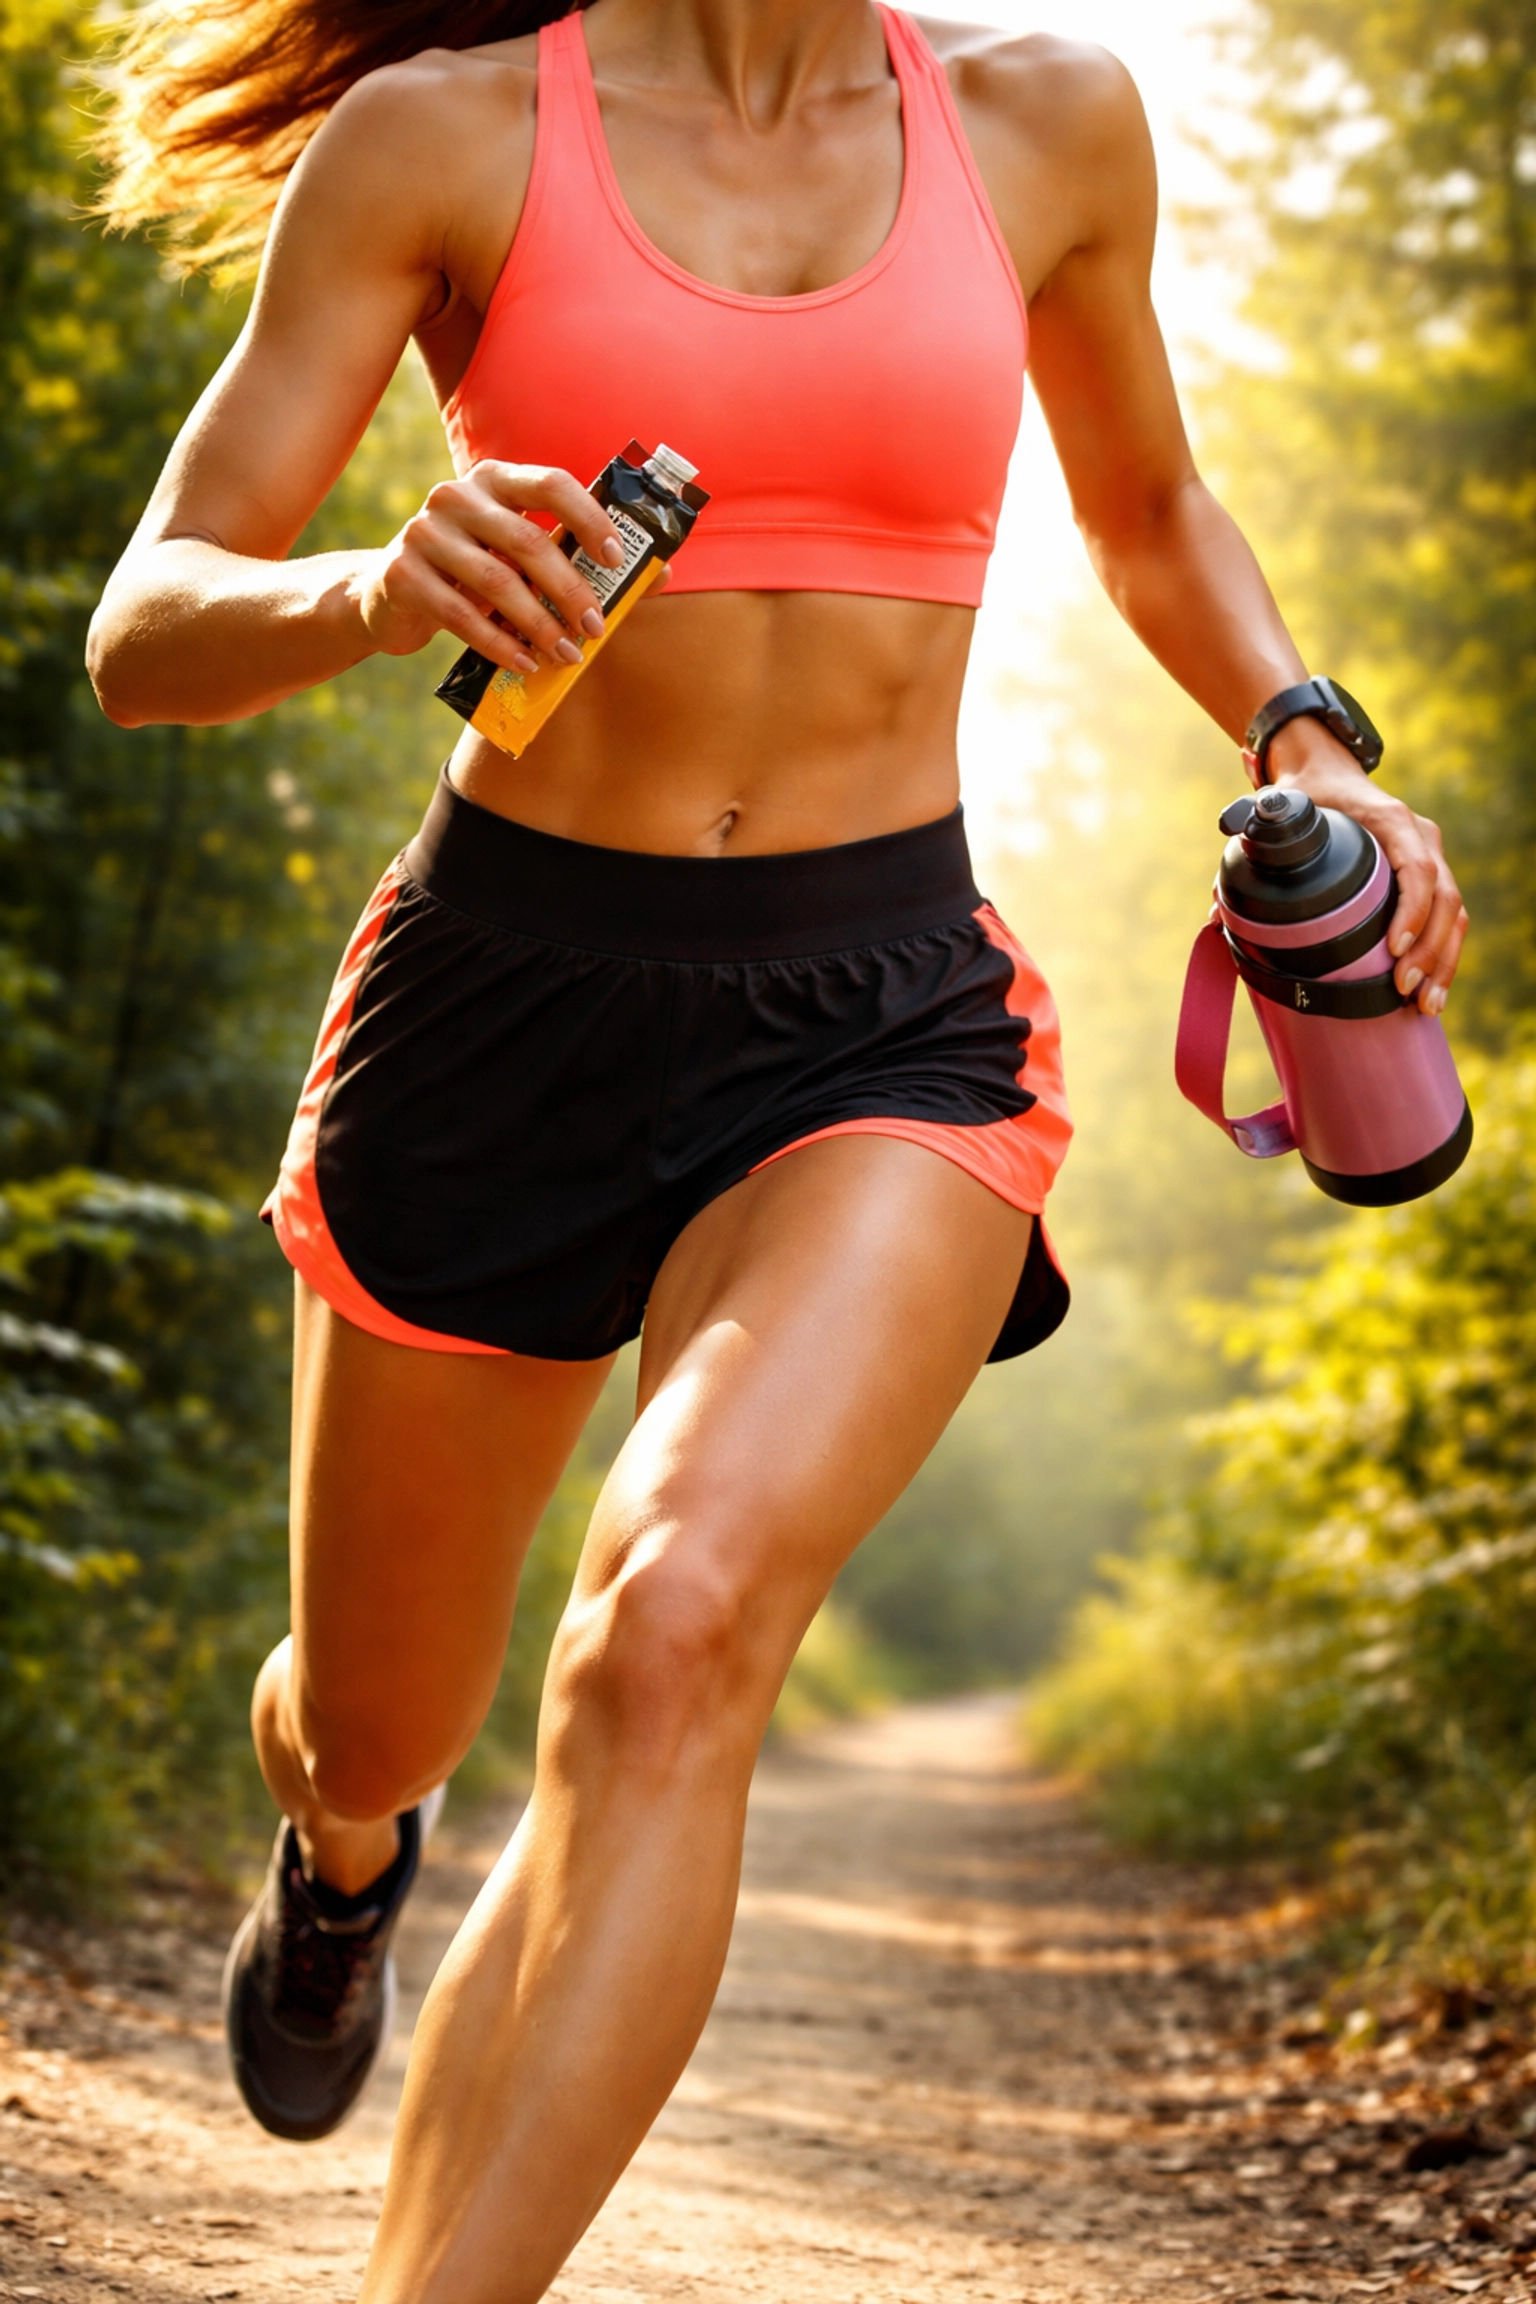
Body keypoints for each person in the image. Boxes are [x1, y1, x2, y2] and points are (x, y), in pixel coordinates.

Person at [86, 0, 1468, 2288]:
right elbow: (150, 626)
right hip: (502, 1002)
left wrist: (1301, 729)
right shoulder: (440, 137)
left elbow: (1148, 504)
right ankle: (341, 1863)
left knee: (672, 1631)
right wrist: (375, 583)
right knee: (370, 1720)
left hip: (883, 1014)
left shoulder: (1039, 122)